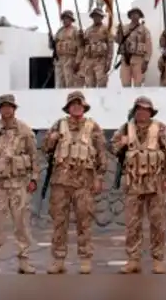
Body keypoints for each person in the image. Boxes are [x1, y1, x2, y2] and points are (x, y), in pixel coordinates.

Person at [42, 91, 107, 274]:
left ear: (84, 107)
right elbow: (45, 149)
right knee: (59, 222)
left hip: (84, 183)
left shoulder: (93, 127)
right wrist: (51, 139)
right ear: (68, 108)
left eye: (79, 104)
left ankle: (85, 259)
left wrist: (99, 177)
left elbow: (101, 154)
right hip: (61, 183)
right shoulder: (59, 125)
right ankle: (58, 260)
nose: (76, 107)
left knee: (84, 222)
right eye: (73, 104)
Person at [111, 96, 166, 273]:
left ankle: (158, 259)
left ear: (151, 112)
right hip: (133, 183)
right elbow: (113, 148)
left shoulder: (161, 128)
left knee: (158, 223)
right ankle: (133, 260)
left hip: (156, 183)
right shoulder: (126, 128)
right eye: (139, 109)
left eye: (146, 109)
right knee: (132, 224)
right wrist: (121, 144)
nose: (142, 112)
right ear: (135, 111)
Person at [0, 94, 40, 274]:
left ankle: (24, 261)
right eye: (3, 107)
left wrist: (34, 179)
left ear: (14, 109)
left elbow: (34, 156)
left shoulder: (25, 131)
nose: (6, 110)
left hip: (19, 184)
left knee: (22, 225)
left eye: (9, 106)